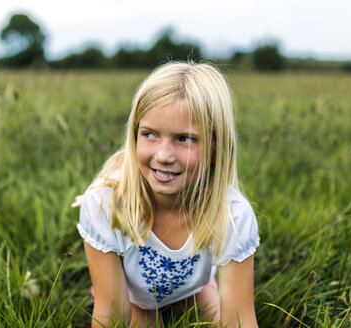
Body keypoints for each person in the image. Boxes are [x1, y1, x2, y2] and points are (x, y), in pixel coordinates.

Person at [77, 62, 260, 327]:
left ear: (215, 145)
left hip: (190, 289)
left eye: (185, 138)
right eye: (149, 134)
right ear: (134, 135)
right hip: (131, 295)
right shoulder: (105, 203)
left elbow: (239, 321)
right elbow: (111, 315)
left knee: (213, 319)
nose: (163, 156)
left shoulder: (233, 215)